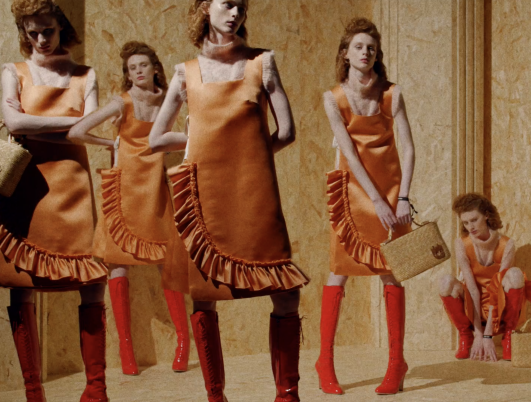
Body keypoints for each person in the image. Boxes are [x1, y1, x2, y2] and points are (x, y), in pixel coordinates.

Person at [148, 1, 309, 401]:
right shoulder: (185, 72)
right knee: (205, 293)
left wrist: (248, 157)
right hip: (205, 194)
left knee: (285, 290)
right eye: (227, 3)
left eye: (241, 4)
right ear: (206, 7)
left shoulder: (262, 63)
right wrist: (204, 140)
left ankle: (287, 394)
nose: (235, 12)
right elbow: (156, 139)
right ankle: (215, 396)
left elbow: (287, 131)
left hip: (255, 192)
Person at [0, 1, 114, 401]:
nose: (40, 40)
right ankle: (33, 391)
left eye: (47, 30)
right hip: (28, 184)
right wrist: (75, 123)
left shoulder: (85, 75)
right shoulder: (12, 72)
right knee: (22, 282)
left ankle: (96, 390)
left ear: (61, 26)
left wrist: (36, 126)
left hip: (73, 187)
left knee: (91, 282)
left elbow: (81, 128)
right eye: (31, 32)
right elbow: (14, 123)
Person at [68, 41, 190, 376]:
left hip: (154, 188)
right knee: (118, 264)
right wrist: (112, 144)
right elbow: (77, 131)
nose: (137, 72)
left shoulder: (168, 99)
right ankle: (126, 350)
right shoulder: (121, 102)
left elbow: (186, 130)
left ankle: (183, 342)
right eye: (131, 68)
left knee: (166, 263)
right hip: (123, 189)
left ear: (155, 68)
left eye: (142, 65)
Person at [316, 17, 415, 396]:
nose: (365, 52)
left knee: (392, 272)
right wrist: (374, 200)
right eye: (358, 46)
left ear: (377, 54)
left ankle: (396, 363)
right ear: (345, 53)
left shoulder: (392, 94)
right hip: (353, 191)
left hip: (391, 190)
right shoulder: (333, 98)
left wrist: (402, 197)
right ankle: (324, 362)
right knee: (338, 271)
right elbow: (350, 152)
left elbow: (408, 149)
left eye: (371, 47)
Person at [438, 193, 531, 362]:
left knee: (515, 274)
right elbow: (473, 289)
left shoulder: (507, 244)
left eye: (474, 220)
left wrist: (488, 335)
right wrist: (478, 334)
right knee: (445, 282)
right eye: (465, 222)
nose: (470, 227)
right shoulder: (461, 243)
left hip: (499, 305)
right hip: (472, 304)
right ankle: (466, 336)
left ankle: (508, 337)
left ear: (486, 215)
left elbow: (497, 290)